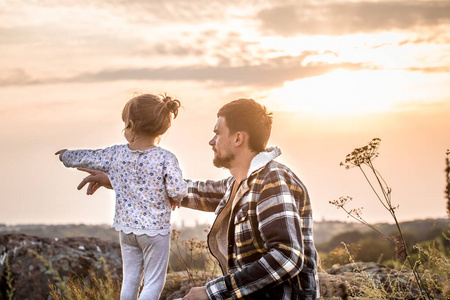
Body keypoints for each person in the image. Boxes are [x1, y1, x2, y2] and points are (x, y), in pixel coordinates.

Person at [76, 98, 319, 300]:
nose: (211, 141)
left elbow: (287, 257)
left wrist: (211, 292)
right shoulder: (239, 184)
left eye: (217, 133)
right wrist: (120, 181)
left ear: (237, 138)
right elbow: (188, 191)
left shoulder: (272, 181)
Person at [55, 93, 188, 300]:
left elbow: (90, 156)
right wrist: (175, 196)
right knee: (153, 282)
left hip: (126, 231)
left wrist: (66, 156)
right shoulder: (166, 158)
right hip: (154, 232)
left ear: (131, 125)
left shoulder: (116, 154)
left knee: (131, 280)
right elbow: (178, 190)